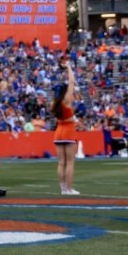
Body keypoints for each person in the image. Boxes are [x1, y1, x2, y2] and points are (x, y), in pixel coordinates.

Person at [52, 60, 79, 195]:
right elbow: (72, 82)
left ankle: (63, 188)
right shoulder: (67, 99)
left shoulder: (54, 103)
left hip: (58, 132)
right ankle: (69, 189)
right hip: (68, 132)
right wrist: (68, 67)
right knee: (70, 162)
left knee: (61, 163)